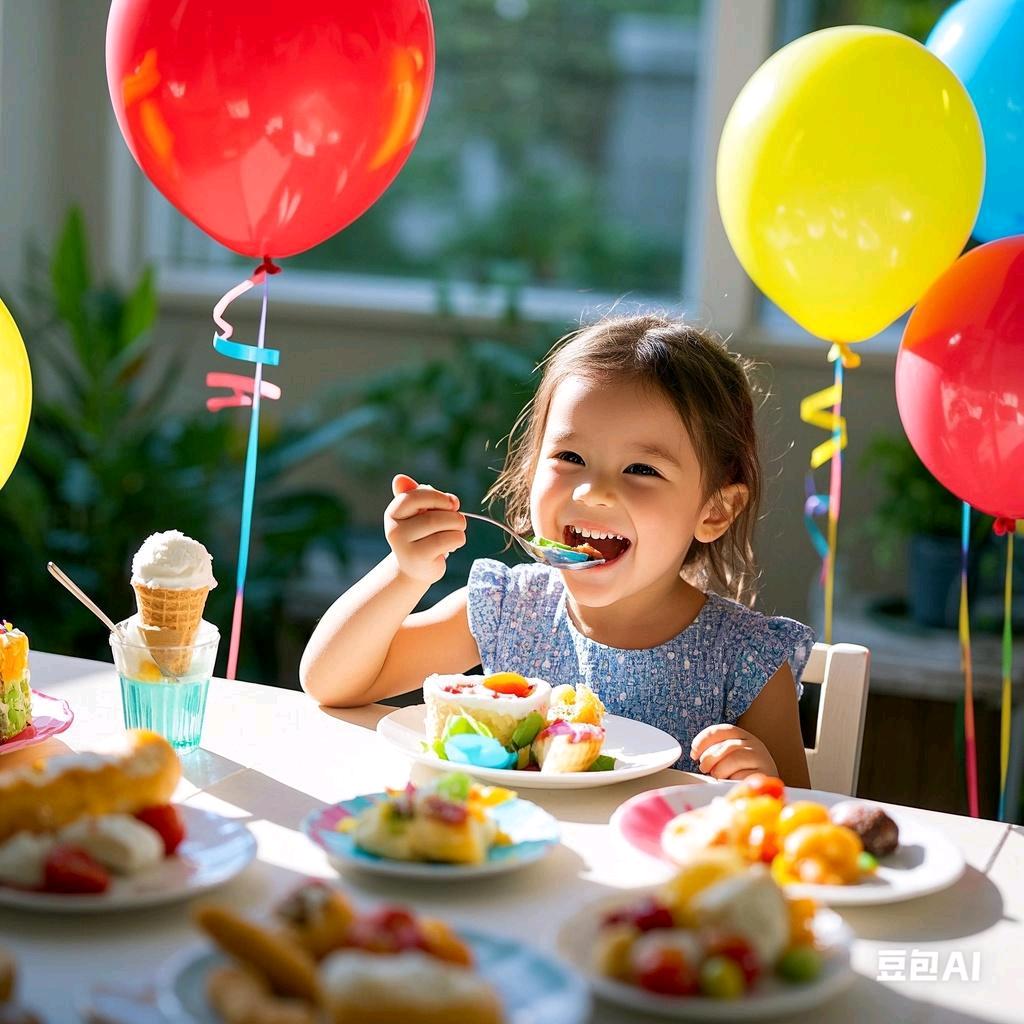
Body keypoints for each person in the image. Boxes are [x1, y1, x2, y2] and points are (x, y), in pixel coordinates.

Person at [301, 314, 813, 784]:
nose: (592, 492)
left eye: (642, 469)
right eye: (570, 456)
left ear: (714, 511)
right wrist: (405, 574)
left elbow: (800, 820)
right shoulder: (508, 610)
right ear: (529, 474)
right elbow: (331, 682)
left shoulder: (746, 660)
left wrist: (759, 781)